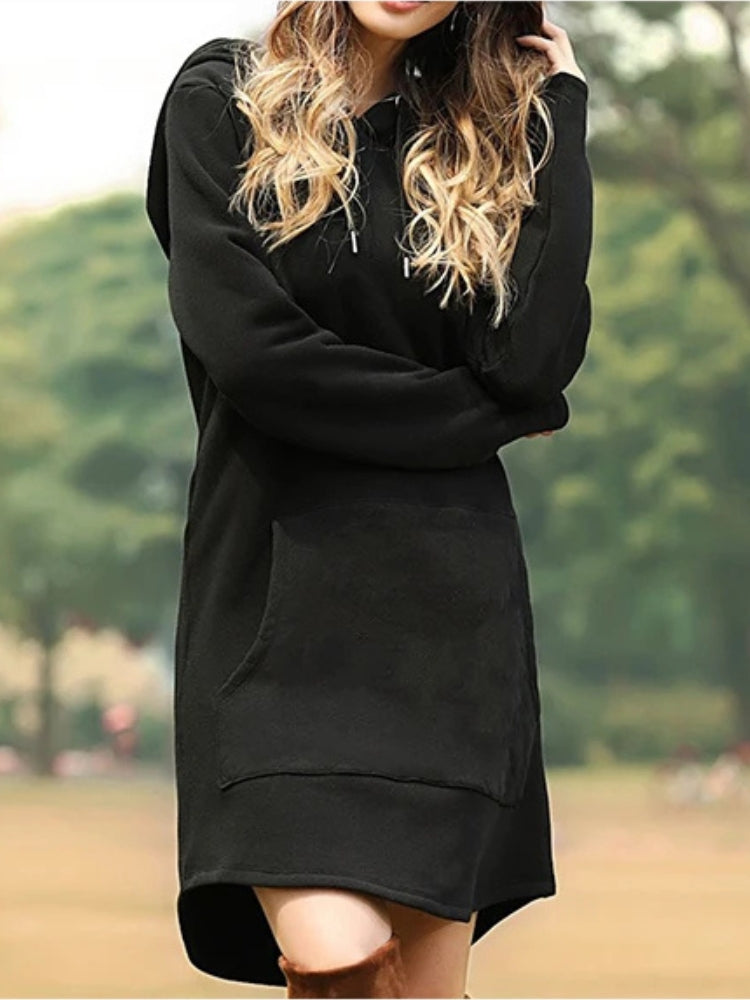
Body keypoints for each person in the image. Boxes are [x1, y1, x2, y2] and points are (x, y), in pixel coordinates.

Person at [144, 1, 592, 996]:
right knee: (336, 963)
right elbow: (260, 361)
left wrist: (561, 117)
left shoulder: (480, 143)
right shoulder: (222, 101)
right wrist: (475, 419)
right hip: (271, 620)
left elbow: (532, 361)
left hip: (450, 631)